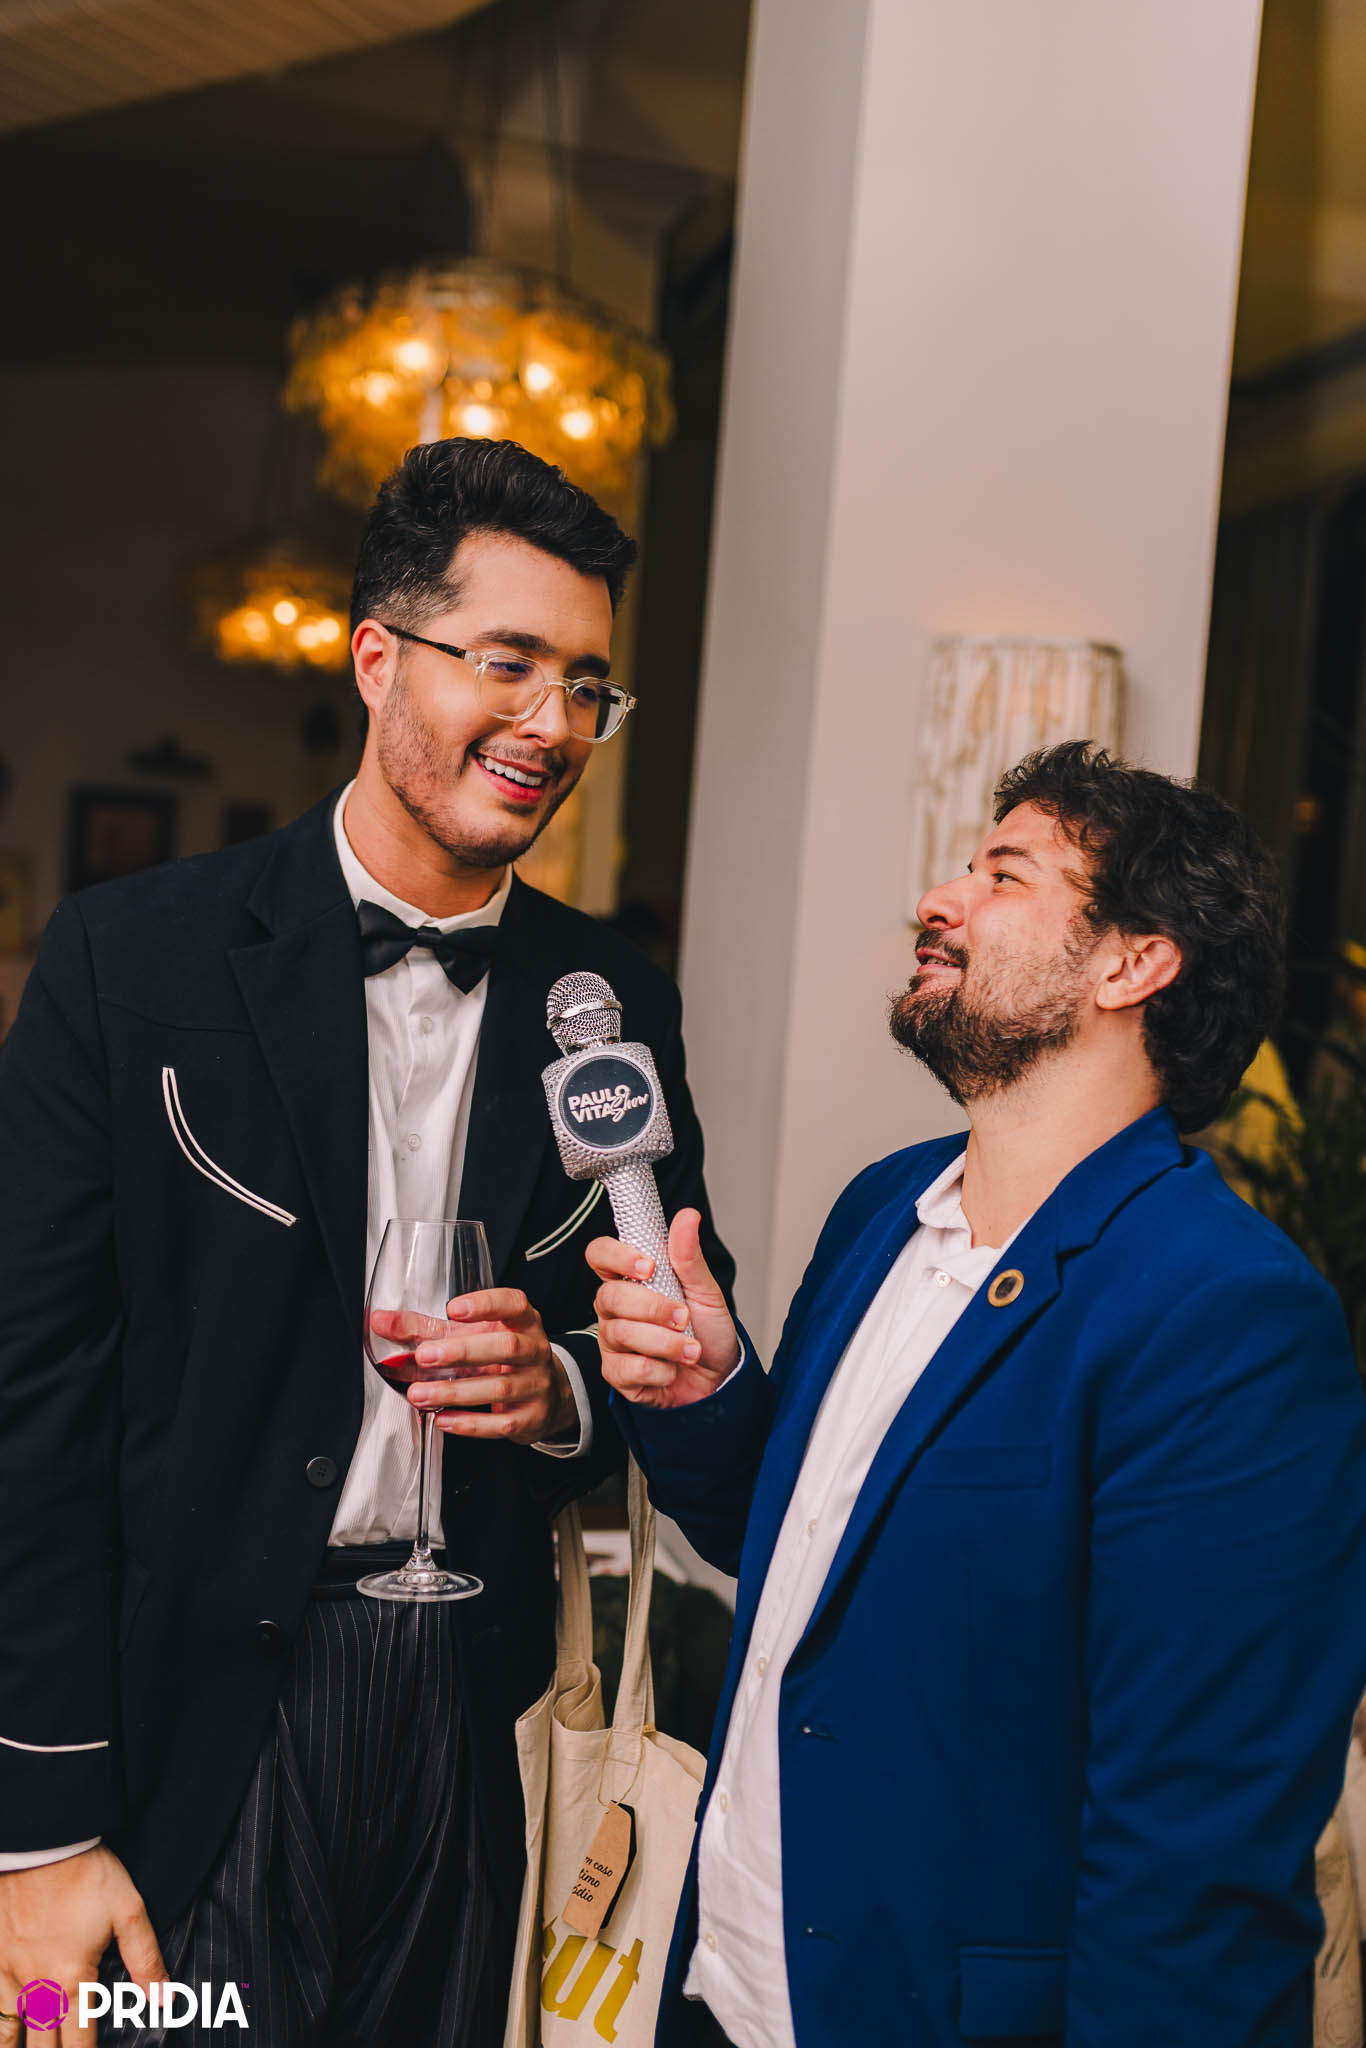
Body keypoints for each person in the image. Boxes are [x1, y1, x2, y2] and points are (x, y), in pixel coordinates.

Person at [0, 437, 733, 2045]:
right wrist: (36, 1828)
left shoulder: (609, 1000)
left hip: (473, 1718)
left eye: (586, 685)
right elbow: (27, 1403)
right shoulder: (133, 958)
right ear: (378, 658)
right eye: (509, 663)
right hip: (182, 1719)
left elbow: (670, 1323)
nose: (552, 725)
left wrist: (562, 1394)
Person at [590, 742, 1366, 2048]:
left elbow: (1195, 1857)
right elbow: (815, 1572)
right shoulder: (882, 1208)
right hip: (726, 1993)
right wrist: (709, 1390)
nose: (937, 901)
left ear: (1132, 963)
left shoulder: (1227, 1315)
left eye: (1003, 874)